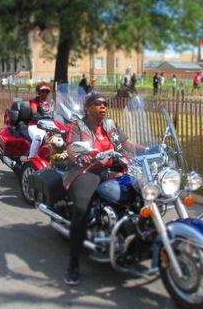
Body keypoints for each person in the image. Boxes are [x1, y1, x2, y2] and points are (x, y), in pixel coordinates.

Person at [63, 91, 147, 286]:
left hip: (113, 168)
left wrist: (148, 149)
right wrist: (79, 155)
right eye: (98, 103)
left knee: (142, 195)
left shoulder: (111, 125)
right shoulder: (78, 126)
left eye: (105, 103)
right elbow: (70, 148)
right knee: (82, 210)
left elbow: (127, 144)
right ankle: (73, 264)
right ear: (88, 107)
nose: (103, 106)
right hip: (86, 171)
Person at [28, 82, 54, 158]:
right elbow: (34, 112)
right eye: (43, 91)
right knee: (38, 137)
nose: (45, 93)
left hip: (50, 126)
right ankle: (31, 158)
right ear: (38, 92)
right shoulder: (35, 102)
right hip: (36, 125)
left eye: (47, 91)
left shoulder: (51, 102)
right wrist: (37, 116)